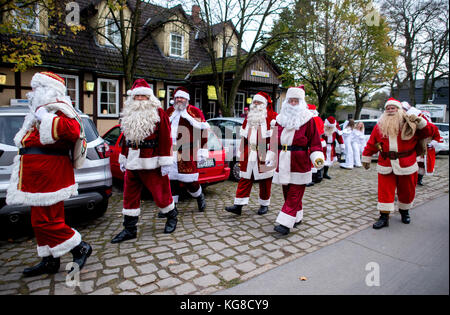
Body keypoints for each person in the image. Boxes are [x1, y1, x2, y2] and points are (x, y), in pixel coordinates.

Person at [6, 71, 92, 277]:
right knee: (39, 221)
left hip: (50, 174)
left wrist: (46, 117)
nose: (32, 92)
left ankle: (79, 247)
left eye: (37, 88)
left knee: (47, 220)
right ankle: (49, 259)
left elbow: (73, 130)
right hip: (37, 175)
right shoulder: (36, 112)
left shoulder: (59, 108)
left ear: (49, 90)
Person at [111, 79, 176, 243]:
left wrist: (165, 161)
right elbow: (126, 138)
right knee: (129, 195)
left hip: (151, 160)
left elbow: (165, 138)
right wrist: (123, 157)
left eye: (143, 96)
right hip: (132, 160)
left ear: (150, 98)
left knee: (160, 193)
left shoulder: (159, 112)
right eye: (137, 96)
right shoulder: (128, 113)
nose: (140, 99)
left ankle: (171, 216)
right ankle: (129, 229)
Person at [361, 98, 432, 229]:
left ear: (399, 110)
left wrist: (421, 123)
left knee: (407, 190)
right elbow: (372, 143)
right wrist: (366, 156)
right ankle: (384, 217)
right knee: (384, 191)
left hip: (407, 163)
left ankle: (404, 212)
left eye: (393, 108)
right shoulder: (380, 126)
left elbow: (427, 133)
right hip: (386, 163)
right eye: (388, 108)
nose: (390, 110)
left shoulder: (410, 124)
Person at [268, 86, 325, 236]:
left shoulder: (308, 119)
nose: (293, 103)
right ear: (286, 102)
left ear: (301, 102)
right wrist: (271, 155)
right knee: (287, 191)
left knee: (295, 192)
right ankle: (297, 216)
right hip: (283, 159)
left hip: (299, 160)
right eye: (290, 100)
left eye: (296, 100)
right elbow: (274, 140)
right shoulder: (280, 119)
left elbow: (314, 142)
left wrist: (317, 157)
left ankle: (285, 223)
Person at [224, 92, 277, 216]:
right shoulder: (249, 118)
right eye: (255, 102)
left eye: (259, 102)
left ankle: (264, 204)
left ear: (265, 104)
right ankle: (238, 205)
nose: (256, 104)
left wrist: (272, 154)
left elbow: (275, 138)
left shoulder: (272, 117)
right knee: (245, 178)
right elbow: (244, 136)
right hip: (249, 151)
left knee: (265, 180)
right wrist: (241, 151)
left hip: (265, 151)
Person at [166, 87, 209, 212]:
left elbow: (203, 133)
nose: (179, 100)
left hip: (188, 152)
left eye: (182, 97)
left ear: (187, 99)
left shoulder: (195, 112)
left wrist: (202, 151)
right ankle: (171, 208)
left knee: (190, 181)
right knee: (170, 180)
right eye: (177, 97)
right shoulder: (169, 111)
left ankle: (199, 196)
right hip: (170, 152)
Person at [416, 111, 442, 185]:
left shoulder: (433, 127)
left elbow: (437, 137)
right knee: (416, 163)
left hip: (428, 149)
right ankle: (414, 179)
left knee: (424, 165)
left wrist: (432, 143)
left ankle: (419, 179)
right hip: (418, 148)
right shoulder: (416, 126)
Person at [308, 103, 326, 185]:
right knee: (319, 158)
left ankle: (312, 178)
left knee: (311, 160)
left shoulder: (310, 119)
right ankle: (319, 176)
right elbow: (322, 131)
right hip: (320, 141)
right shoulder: (319, 119)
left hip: (312, 141)